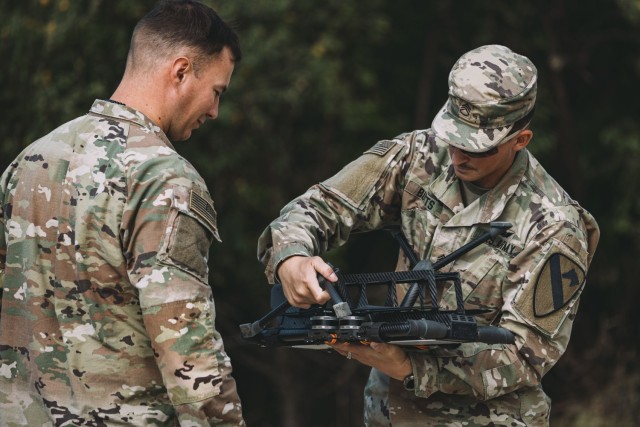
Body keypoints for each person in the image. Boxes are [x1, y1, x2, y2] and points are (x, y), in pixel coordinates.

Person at [257, 44, 600, 426]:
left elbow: (524, 356)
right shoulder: (419, 155)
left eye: (477, 147)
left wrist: (412, 367)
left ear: (521, 139)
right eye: (454, 135)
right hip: (389, 412)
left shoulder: (554, 225)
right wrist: (292, 257)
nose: (458, 154)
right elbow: (321, 206)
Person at [0, 1, 245, 425]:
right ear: (181, 71)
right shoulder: (163, 178)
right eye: (217, 92)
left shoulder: (29, 161)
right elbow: (189, 353)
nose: (214, 111)